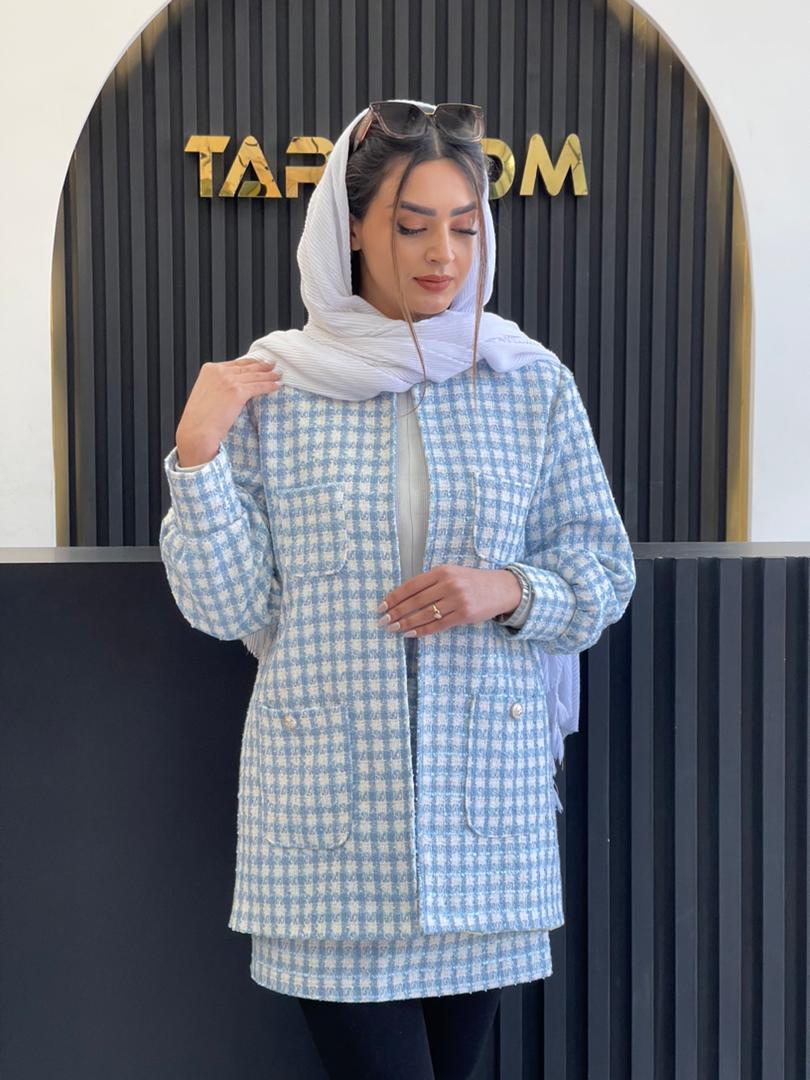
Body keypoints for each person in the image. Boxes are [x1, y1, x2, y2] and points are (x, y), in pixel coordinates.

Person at [158, 99, 636, 1079]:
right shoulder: (276, 387)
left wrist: (506, 589)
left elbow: (602, 570)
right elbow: (226, 607)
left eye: (464, 226)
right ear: (351, 228)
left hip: (483, 820)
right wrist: (198, 453)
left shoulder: (527, 381)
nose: (443, 254)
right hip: (334, 833)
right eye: (412, 226)